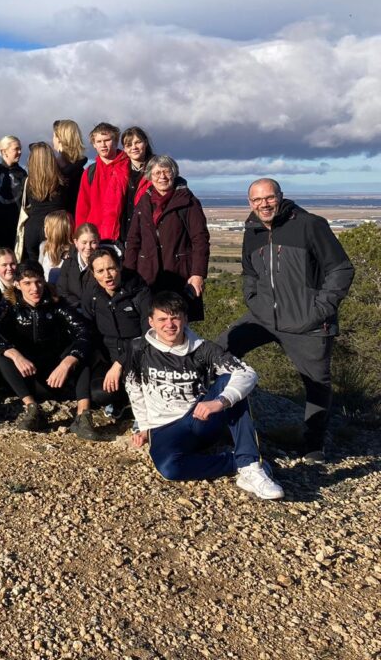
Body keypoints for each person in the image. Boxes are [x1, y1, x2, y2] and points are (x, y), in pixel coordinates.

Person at [217, 179, 354, 463]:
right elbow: (249, 272)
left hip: (308, 320)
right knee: (217, 352)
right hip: (263, 316)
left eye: (269, 198)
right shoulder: (252, 229)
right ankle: (215, 424)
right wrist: (253, 299)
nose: (264, 204)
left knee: (317, 384)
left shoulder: (310, 225)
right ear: (250, 203)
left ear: (280, 197)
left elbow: (341, 269)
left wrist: (319, 309)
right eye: (257, 200)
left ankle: (314, 445)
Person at [126, 292, 284, 499]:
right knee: (170, 469)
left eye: (175, 317)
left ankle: (250, 465)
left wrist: (221, 401)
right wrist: (144, 426)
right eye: (162, 319)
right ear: (151, 322)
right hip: (163, 427)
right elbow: (134, 386)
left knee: (230, 380)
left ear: (185, 319)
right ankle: (233, 462)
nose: (169, 325)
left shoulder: (203, 349)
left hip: (201, 419)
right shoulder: (139, 349)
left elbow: (247, 373)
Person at [0, 261, 101, 440]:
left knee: (80, 351)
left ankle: (83, 416)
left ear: (44, 281)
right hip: (26, 378)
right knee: (0, 352)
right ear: (17, 284)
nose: (34, 288)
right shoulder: (9, 305)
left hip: (57, 376)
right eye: (27, 283)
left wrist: (67, 362)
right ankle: (32, 409)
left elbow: (85, 331)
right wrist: (14, 354)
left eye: (38, 282)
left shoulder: (57, 303)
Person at [125, 155, 210, 321]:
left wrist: (198, 274)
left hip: (179, 275)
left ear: (174, 173)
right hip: (148, 275)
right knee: (150, 322)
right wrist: (128, 274)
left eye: (166, 171)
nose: (162, 177)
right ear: (150, 176)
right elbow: (133, 240)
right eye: (157, 173)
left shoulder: (188, 201)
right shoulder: (144, 201)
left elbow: (200, 240)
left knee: (177, 323)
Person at [80, 247, 150, 420]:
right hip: (108, 356)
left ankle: (141, 412)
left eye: (111, 268)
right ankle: (121, 402)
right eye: (100, 271)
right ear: (93, 273)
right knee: (100, 393)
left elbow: (149, 334)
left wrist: (120, 363)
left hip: (139, 356)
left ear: (119, 266)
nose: (107, 276)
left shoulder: (140, 292)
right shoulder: (92, 294)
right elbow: (87, 329)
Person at [75, 122, 130, 242]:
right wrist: (80, 236)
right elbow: (82, 208)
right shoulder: (90, 172)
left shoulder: (129, 167)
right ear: (94, 144)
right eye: (99, 141)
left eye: (107, 140)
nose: (103, 145)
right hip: (95, 237)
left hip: (124, 235)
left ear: (116, 141)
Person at [20, 142, 70, 263]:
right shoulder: (62, 181)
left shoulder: (27, 182)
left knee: (33, 267)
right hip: (55, 227)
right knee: (55, 265)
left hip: (32, 228)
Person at [119, 127, 153, 240]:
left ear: (146, 143)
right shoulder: (118, 172)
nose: (134, 147)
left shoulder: (157, 170)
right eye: (129, 145)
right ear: (124, 149)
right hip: (121, 237)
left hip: (146, 236)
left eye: (138, 142)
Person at [58, 222, 100, 307]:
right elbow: (62, 291)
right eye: (84, 243)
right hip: (74, 308)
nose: (88, 247)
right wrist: (78, 305)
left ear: (98, 241)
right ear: (76, 242)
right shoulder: (68, 263)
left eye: (93, 242)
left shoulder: (104, 263)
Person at [52, 119, 88, 210]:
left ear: (59, 139)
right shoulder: (83, 171)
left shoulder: (53, 170)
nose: (53, 140)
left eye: (54, 136)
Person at [39, 210, 73, 286]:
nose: (44, 229)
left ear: (55, 231)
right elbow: (39, 272)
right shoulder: (44, 247)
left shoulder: (73, 252)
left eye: (46, 227)